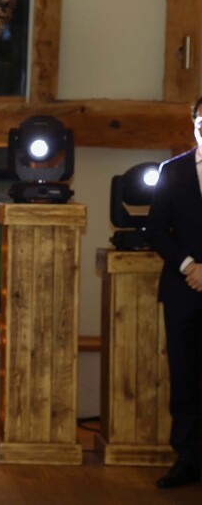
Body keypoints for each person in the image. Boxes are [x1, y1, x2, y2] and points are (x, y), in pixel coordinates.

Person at [147, 95, 202, 489]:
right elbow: (155, 229)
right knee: (184, 377)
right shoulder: (173, 170)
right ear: (194, 124)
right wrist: (190, 266)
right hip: (184, 288)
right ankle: (187, 459)